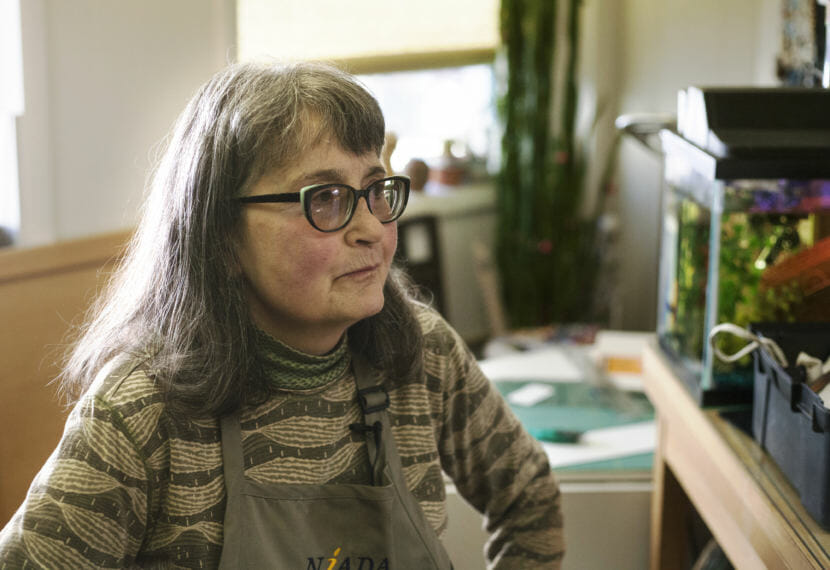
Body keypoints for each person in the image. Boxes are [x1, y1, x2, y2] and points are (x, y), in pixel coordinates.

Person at [0, 61, 564, 568]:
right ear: (220, 238)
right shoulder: (139, 412)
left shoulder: (424, 353)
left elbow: (530, 498)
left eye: (375, 190)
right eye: (323, 198)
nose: (370, 228)